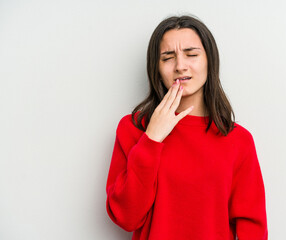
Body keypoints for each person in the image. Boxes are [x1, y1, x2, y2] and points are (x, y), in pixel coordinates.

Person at [105, 15, 268, 240]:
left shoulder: (238, 140)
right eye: (168, 58)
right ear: (156, 68)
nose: (181, 66)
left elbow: (253, 229)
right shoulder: (133, 129)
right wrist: (151, 139)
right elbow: (126, 217)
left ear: (209, 61)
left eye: (191, 54)